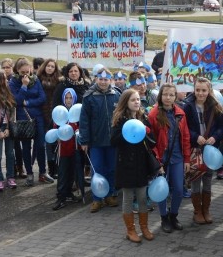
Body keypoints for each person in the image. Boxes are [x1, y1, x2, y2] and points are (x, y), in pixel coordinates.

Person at [110, 88, 157, 242]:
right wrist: (127, 132)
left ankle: (144, 227)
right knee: (128, 197)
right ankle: (131, 230)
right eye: (133, 100)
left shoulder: (143, 116)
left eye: (138, 99)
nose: (137, 102)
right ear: (126, 102)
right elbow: (113, 140)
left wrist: (146, 130)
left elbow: (152, 140)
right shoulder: (119, 119)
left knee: (143, 197)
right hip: (126, 164)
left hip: (141, 163)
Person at [181, 78, 223, 224]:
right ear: (194, 90)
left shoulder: (215, 106)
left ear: (209, 91)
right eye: (198, 90)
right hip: (195, 149)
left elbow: (221, 127)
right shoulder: (187, 106)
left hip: (210, 150)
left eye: (204, 90)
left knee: (207, 180)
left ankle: (206, 209)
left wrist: (214, 137)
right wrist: (196, 136)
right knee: (195, 180)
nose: (200, 93)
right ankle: (197, 211)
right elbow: (184, 128)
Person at [148, 84, 190, 233]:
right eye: (165, 94)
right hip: (161, 160)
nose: (168, 97)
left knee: (178, 189)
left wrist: (187, 159)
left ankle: (174, 215)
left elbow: (185, 137)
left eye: (171, 95)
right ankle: (164, 217)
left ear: (175, 96)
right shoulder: (153, 114)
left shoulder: (180, 113)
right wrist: (157, 161)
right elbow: (151, 141)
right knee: (161, 190)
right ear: (161, 95)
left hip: (178, 157)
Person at [78, 67, 121, 213]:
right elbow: (84, 120)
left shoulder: (116, 95)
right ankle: (97, 198)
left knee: (111, 168)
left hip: (112, 141)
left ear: (110, 80)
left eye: (106, 79)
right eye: (100, 79)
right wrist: (84, 140)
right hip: (96, 141)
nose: (103, 82)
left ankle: (110, 195)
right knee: (97, 169)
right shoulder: (89, 96)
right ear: (96, 79)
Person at [8, 58, 50, 187]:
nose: (26, 74)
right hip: (23, 119)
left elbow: (42, 98)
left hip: (37, 117)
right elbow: (16, 101)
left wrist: (29, 102)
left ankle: (43, 172)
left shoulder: (36, 80)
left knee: (40, 146)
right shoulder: (13, 82)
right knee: (26, 147)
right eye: (22, 72)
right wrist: (24, 86)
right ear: (17, 71)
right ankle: (30, 173)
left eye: (28, 71)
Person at [51, 88, 80, 210]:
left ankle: (69, 193)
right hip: (63, 148)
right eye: (66, 98)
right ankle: (60, 197)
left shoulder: (77, 112)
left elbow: (80, 126)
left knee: (71, 172)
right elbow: (55, 127)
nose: (68, 100)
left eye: (70, 98)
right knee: (62, 173)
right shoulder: (60, 112)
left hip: (74, 147)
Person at [38, 59, 63, 179]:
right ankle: (51, 167)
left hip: (56, 113)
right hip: (42, 113)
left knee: (56, 141)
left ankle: (57, 167)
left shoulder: (59, 81)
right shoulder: (38, 79)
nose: (50, 68)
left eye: (52, 66)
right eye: (48, 66)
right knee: (47, 142)